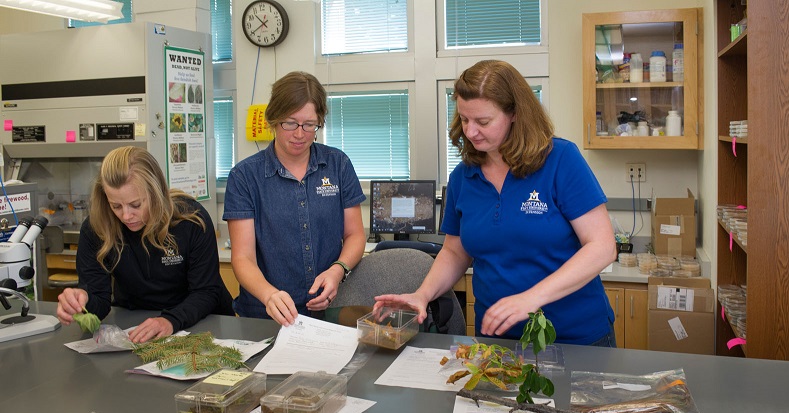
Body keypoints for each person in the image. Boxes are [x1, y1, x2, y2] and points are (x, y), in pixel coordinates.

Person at [375, 60, 617, 346]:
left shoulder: (560, 160)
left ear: (515, 113)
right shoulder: (463, 177)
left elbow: (602, 247)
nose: (471, 131)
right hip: (498, 339)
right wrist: (422, 294)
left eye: (483, 122)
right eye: (464, 119)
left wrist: (530, 299)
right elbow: (454, 252)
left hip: (574, 337)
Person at [223, 71, 366, 325]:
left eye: (309, 124)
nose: (300, 134)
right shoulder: (245, 176)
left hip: (329, 312)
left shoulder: (338, 164)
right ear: (273, 119)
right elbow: (243, 258)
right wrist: (269, 295)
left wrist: (338, 270)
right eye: (290, 123)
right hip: (265, 315)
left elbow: (355, 235)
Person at [57, 146, 234, 343]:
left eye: (136, 205)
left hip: (202, 323)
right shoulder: (96, 228)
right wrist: (82, 300)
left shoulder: (190, 220)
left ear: (155, 193)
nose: (126, 216)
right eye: (116, 206)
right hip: (136, 326)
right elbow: (99, 300)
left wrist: (170, 321)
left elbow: (206, 292)